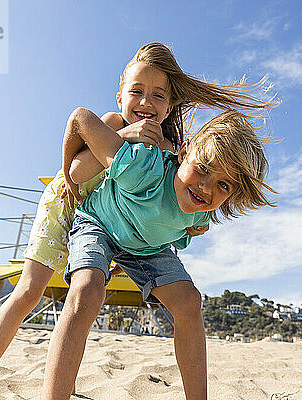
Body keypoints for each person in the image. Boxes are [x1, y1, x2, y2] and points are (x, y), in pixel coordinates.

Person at [0, 42, 275, 400]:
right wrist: (115, 141)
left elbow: (174, 210)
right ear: (120, 95)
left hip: (127, 231)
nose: (146, 103)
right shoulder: (118, 132)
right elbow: (76, 171)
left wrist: (186, 227)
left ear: (169, 106)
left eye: (158, 95)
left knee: (183, 299)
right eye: (136, 92)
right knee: (36, 291)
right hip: (72, 203)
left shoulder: (171, 153)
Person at [43, 108, 276, 399]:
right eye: (203, 167)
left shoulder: (200, 217)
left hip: (147, 249)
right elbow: (80, 118)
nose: (205, 188)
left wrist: (128, 262)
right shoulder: (142, 168)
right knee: (87, 290)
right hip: (99, 224)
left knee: (190, 301)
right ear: (184, 151)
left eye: (223, 185)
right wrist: (68, 173)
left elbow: (173, 227)